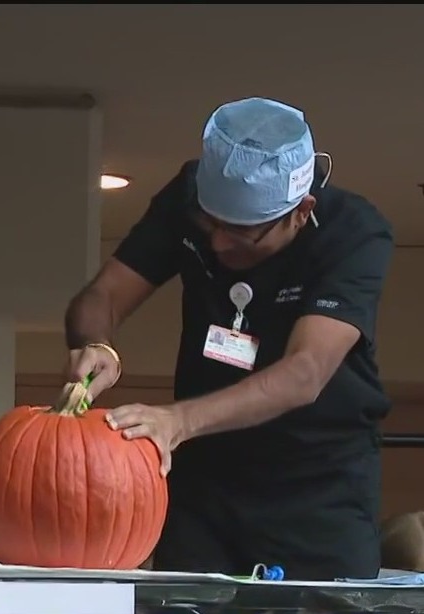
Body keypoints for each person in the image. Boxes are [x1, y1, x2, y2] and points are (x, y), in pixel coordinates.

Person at [62, 97, 395, 581]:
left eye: (241, 235)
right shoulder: (188, 197)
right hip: (205, 481)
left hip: (319, 486)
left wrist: (176, 421)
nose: (218, 244)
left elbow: (305, 373)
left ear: (301, 213)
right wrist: (98, 345)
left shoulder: (353, 234)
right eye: (210, 225)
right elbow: (103, 296)